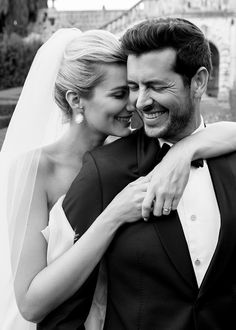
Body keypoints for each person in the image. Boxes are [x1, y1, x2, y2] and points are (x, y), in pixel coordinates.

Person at [0, 25, 236, 330]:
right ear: (76, 100)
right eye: (120, 93)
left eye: (134, 88)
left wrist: (185, 150)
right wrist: (112, 215)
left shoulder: (138, 142)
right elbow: (32, 304)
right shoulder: (41, 169)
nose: (135, 103)